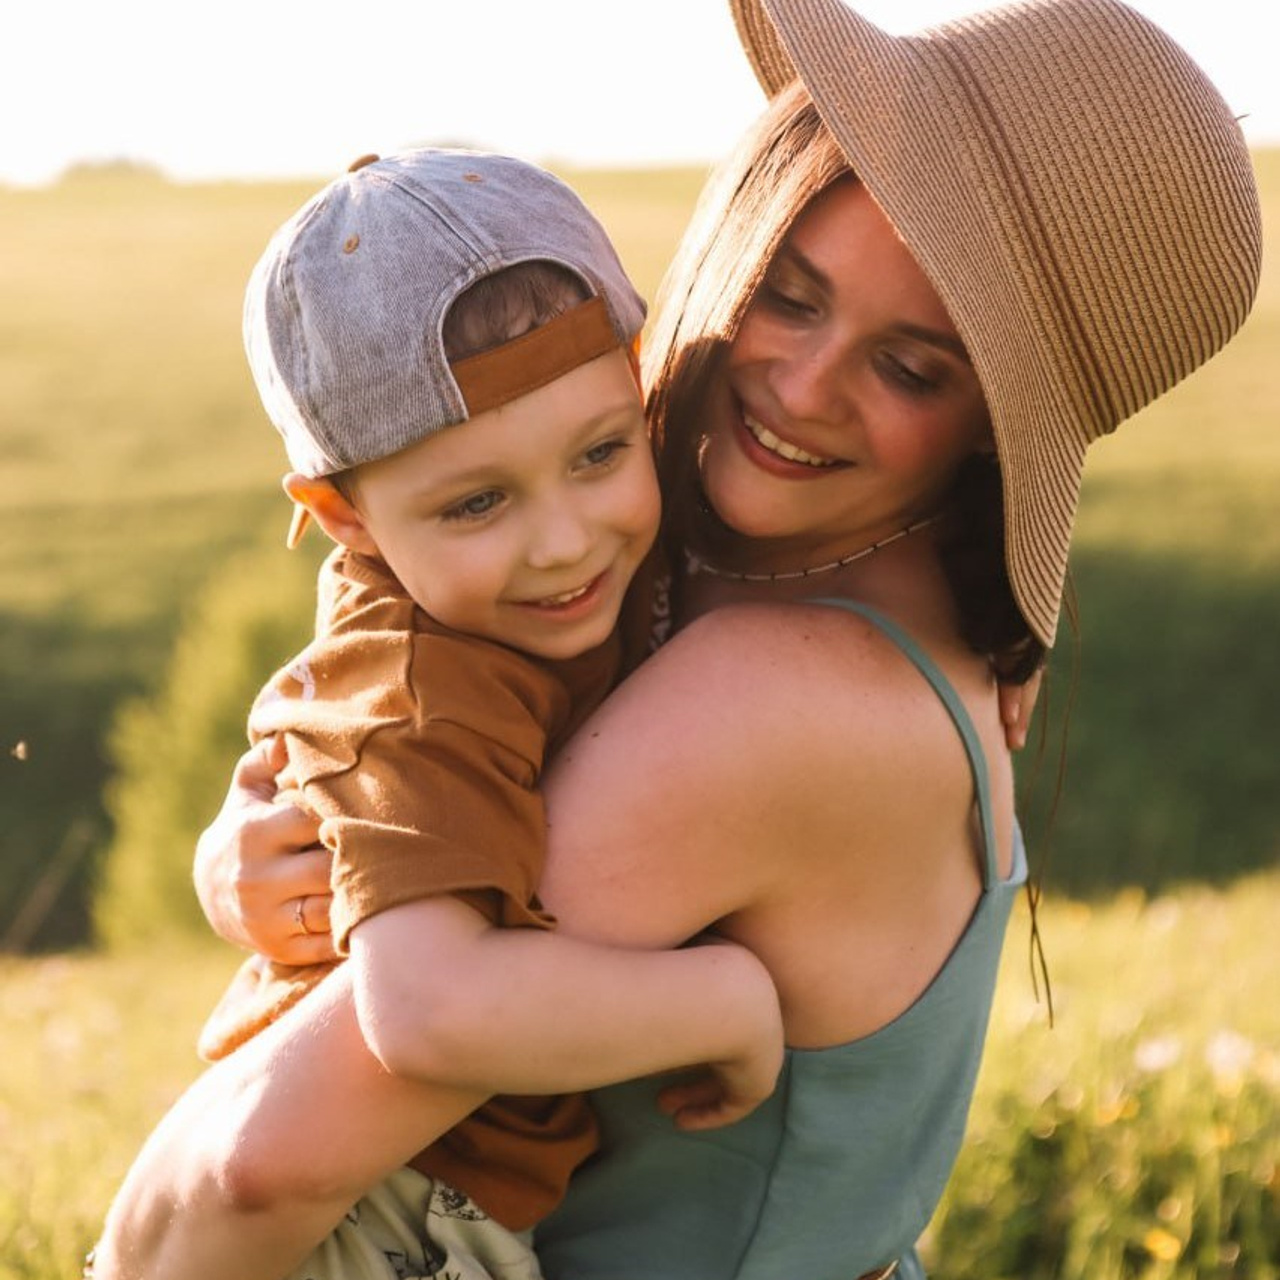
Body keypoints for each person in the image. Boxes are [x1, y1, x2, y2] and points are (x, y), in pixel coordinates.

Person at [90, 0, 1263, 1277]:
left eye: (912, 369)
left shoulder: (764, 698)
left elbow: (252, 1164)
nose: (801, 389)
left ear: (994, 424)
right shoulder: (660, 550)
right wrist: (260, 847)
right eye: (790, 295)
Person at [91, 147, 788, 1280]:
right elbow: (426, 1011)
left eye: (600, 451)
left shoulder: (539, 590)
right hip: (373, 1216)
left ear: (640, 388)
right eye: (475, 501)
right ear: (343, 516)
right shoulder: (423, 694)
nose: (562, 539)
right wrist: (729, 1003)